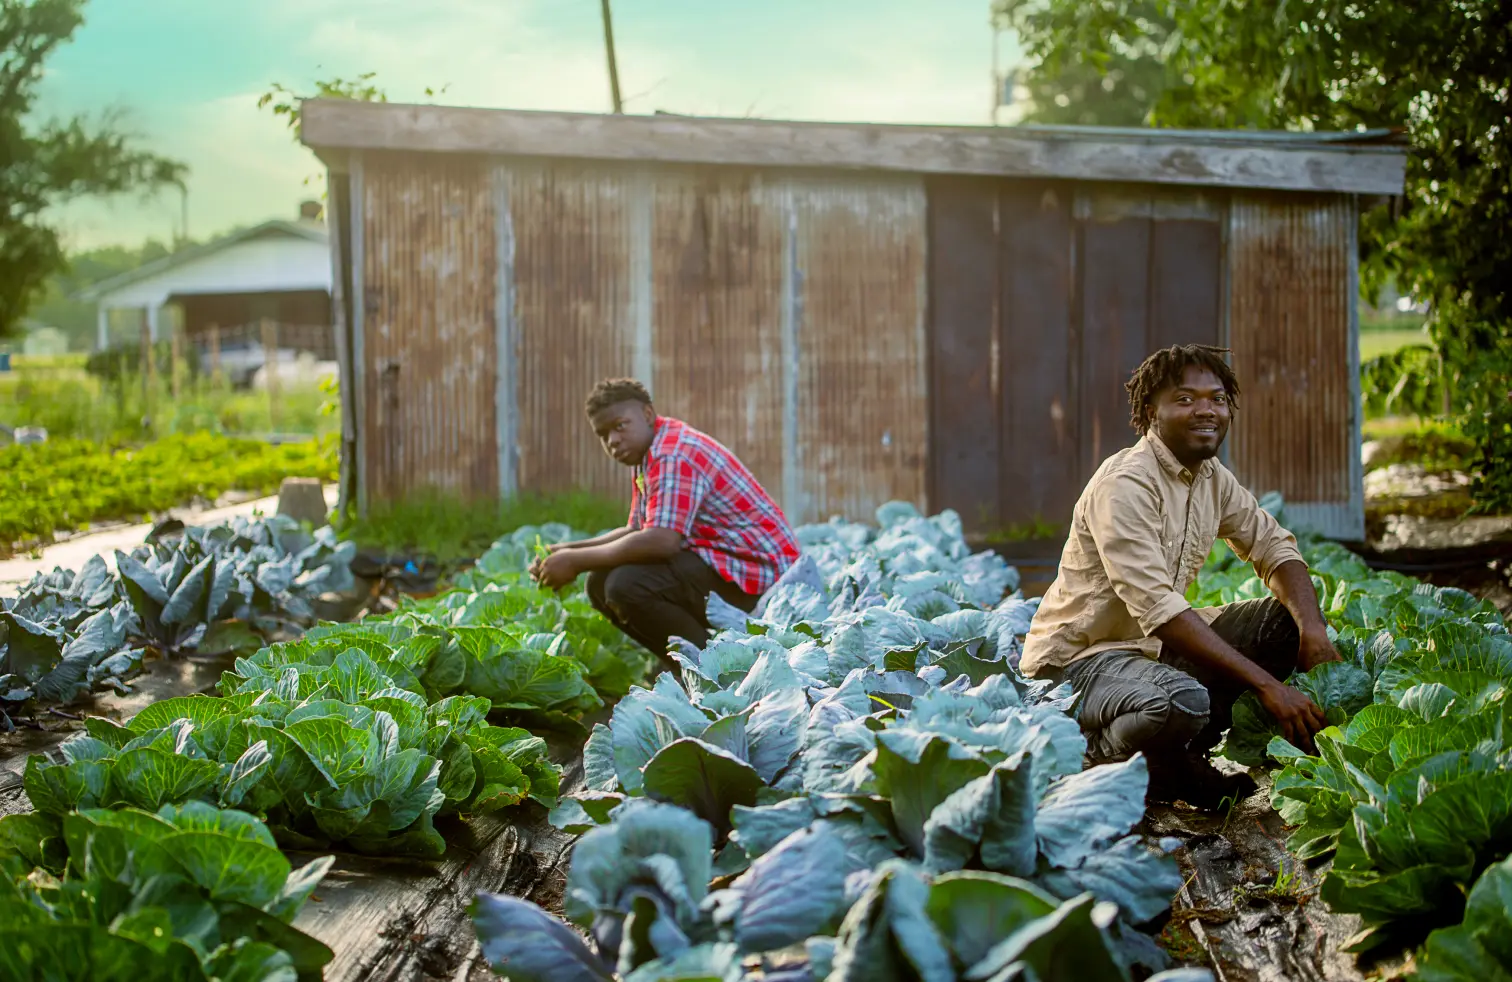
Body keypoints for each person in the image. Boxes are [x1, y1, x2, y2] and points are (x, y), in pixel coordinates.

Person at [1020, 344, 1340, 808]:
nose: (1205, 410)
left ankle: (1178, 759)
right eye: (1185, 399)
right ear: (1152, 412)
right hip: (1077, 663)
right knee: (1176, 702)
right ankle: (1098, 757)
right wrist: (1269, 686)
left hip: (1147, 650)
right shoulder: (1126, 485)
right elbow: (1159, 608)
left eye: (1216, 398)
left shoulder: (1210, 477)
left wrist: (1314, 632)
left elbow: (1273, 546)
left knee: (1284, 624)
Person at [530, 378, 801, 672]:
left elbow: (661, 541)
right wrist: (565, 550)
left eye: (619, 426)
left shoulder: (672, 453)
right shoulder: (650, 453)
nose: (613, 440)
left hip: (766, 579)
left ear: (647, 415)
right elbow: (637, 529)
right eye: (603, 434)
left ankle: (718, 670)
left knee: (627, 586)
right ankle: (682, 665)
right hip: (728, 567)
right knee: (598, 583)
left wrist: (575, 560)